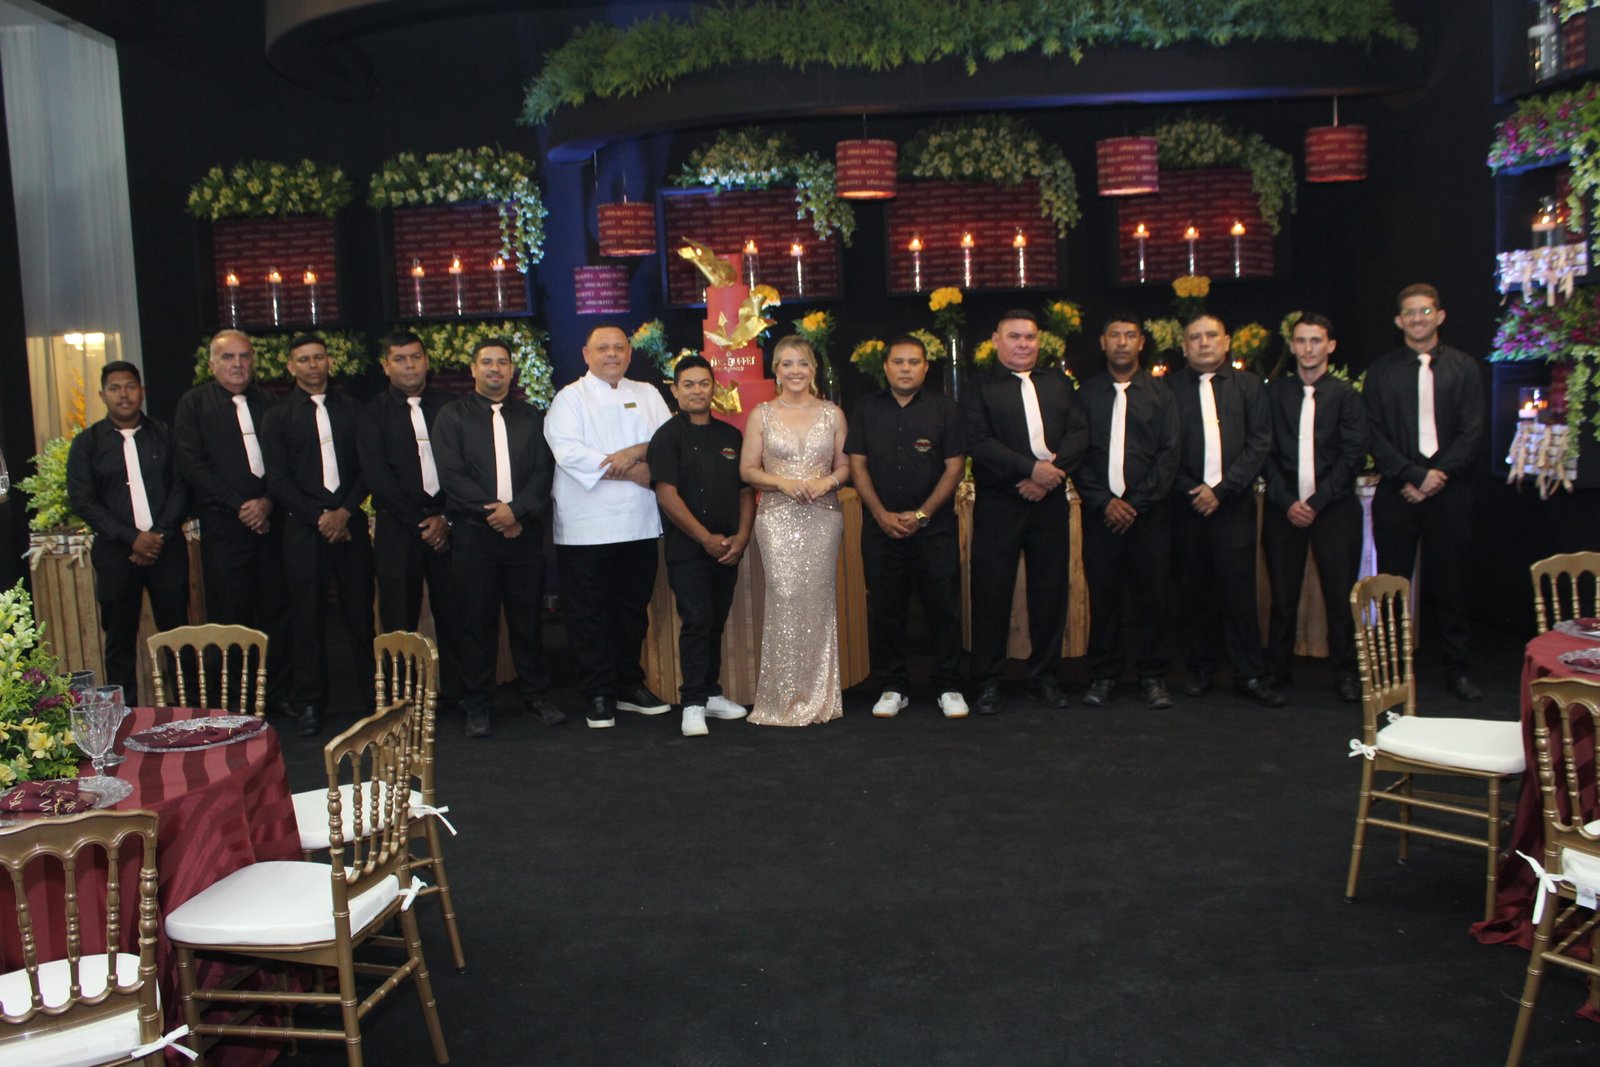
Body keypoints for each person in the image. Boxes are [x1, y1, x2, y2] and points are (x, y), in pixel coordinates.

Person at [544, 324, 673, 729]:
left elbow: (668, 442)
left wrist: (635, 451)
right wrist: (636, 471)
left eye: (619, 347)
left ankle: (628, 685)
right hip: (586, 527)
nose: (612, 354)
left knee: (631, 611)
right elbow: (569, 453)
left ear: (630, 354)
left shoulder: (648, 393)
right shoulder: (569, 398)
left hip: (640, 523)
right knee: (589, 614)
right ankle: (597, 692)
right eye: (603, 348)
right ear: (586, 354)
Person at [1364, 284, 1486, 701]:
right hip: (1397, 492)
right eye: (1410, 313)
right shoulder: (1380, 372)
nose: (1418, 319)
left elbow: (1471, 432)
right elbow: (1373, 434)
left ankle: (1457, 671)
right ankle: (1392, 670)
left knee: (1452, 586)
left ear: (1440, 316)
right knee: (1392, 585)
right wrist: (1412, 476)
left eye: (1426, 311)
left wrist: (1436, 476)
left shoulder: (1464, 368)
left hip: (1450, 493)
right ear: (1399, 321)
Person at [432, 339, 560, 739]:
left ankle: (536, 698)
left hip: (524, 535)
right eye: (486, 362)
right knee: (476, 622)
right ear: (473, 369)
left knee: (528, 621)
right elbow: (451, 475)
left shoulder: (532, 417)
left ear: (511, 370)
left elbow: (543, 472)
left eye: (502, 362)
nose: (495, 369)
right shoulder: (452, 416)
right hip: (474, 536)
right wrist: (498, 515)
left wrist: (516, 511)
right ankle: (478, 704)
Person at [962, 310, 1087, 716]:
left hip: (1049, 501)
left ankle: (1044, 678)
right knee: (991, 592)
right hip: (1000, 502)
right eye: (1014, 336)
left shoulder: (1059, 383)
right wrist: (1029, 470)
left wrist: (1050, 475)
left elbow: (1080, 432)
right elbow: (978, 441)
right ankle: (989, 682)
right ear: (996, 340)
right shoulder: (979, 387)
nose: (1023, 344)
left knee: (1050, 592)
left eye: (1030, 337)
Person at [845, 335, 968, 719]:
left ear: (925, 367)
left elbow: (955, 468)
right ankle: (893, 686)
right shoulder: (866, 408)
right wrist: (880, 514)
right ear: (885, 367)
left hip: (934, 529)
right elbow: (857, 465)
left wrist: (922, 515)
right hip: (880, 529)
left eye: (913, 362)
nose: (905, 368)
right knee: (887, 611)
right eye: (898, 362)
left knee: (943, 609)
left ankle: (948, 685)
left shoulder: (945, 409)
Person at [172, 329, 293, 715]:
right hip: (224, 526)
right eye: (228, 357)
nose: (238, 364)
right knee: (231, 613)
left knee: (277, 610)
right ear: (212, 364)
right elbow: (192, 464)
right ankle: (238, 701)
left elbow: (285, 460)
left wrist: (267, 502)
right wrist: (241, 505)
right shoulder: (193, 404)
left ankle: (278, 693)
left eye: (244, 356)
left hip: (271, 523)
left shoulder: (270, 403)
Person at [259, 335, 374, 737]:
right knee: (306, 618)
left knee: (361, 614)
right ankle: (311, 702)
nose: (313, 365)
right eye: (304, 360)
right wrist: (320, 517)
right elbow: (277, 480)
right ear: (291, 367)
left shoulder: (353, 410)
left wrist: (344, 512)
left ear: (329, 362)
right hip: (303, 529)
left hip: (350, 525)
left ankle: (371, 697)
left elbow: (367, 467)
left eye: (319, 358)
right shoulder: (277, 416)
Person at [1169, 314, 1284, 707]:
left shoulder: (1249, 386)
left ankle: (1249, 673)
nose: (1203, 343)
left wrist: (1221, 490)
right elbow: (1164, 447)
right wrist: (1192, 489)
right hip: (1187, 507)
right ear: (1184, 346)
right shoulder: (1169, 390)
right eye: (1195, 337)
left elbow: (1260, 442)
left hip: (1233, 505)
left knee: (1239, 593)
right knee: (1193, 593)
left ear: (1227, 341)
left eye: (1211, 335)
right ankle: (1199, 668)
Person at [739, 335, 850, 726]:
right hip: (777, 517)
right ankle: (781, 700)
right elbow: (747, 470)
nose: (795, 371)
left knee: (818, 602)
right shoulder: (762, 415)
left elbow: (845, 466)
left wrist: (827, 483)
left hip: (823, 515)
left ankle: (820, 697)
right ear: (776, 370)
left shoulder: (833, 414)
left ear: (813, 369)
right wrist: (782, 483)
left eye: (802, 363)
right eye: (787, 363)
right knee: (784, 600)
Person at [1262, 314, 1370, 704]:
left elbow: (1352, 455)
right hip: (1284, 508)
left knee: (1340, 597)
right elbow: (1264, 451)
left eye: (1316, 341)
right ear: (1292, 346)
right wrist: (1289, 501)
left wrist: (1316, 502)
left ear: (1330, 346)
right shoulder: (1275, 394)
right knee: (1282, 596)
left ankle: (1346, 672)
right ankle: (1277, 669)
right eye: (1301, 341)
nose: (1308, 348)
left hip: (1334, 510)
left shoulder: (1346, 396)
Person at [1073, 318, 1179, 710]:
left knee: (1154, 598)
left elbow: (1170, 453)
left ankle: (1153, 677)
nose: (1122, 342)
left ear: (1141, 343)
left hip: (1149, 516)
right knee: (1104, 598)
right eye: (1114, 335)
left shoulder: (1161, 394)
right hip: (1102, 516)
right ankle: (1104, 675)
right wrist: (1105, 501)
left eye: (1129, 336)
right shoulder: (1086, 395)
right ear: (1103, 342)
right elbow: (1078, 455)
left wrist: (1136, 503)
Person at [66, 361, 189, 698]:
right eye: (115, 388)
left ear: (142, 392)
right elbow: (83, 501)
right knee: (119, 640)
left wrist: (156, 536)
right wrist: (132, 538)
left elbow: (181, 487)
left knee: (178, 636)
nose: (124, 394)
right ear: (102, 395)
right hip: (115, 553)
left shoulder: (166, 435)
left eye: (131, 386)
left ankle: (187, 709)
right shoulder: (87, 444)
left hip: (167, 550)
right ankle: (123, 715)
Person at [647, 356, 755, 737]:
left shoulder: (731, 436)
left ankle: (710, 693)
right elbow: (666, 495)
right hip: (689, 549)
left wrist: (741, 537)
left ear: (714, 388)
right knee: (696, 622)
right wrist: (705, 538)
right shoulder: (666, 437)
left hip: (728, 548)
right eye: (688, 384)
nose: (697, 391)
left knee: (715, 622)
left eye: (704, 383)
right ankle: (692, 703)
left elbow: (745, 492)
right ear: (675, 390)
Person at [358, 331, 461, 715]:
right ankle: (403, 699)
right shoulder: (372, 413)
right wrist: (423, 522)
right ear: (386, 366)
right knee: (398, 617)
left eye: (415, 357)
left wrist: (445, 517)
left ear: (426, 361)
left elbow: (464, 464)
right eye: (399, 359)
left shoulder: (450, 406)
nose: (409, 365)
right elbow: (377, 476)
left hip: (449, 525)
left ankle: (459, 694)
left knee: (455, 612)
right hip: (398, 528)